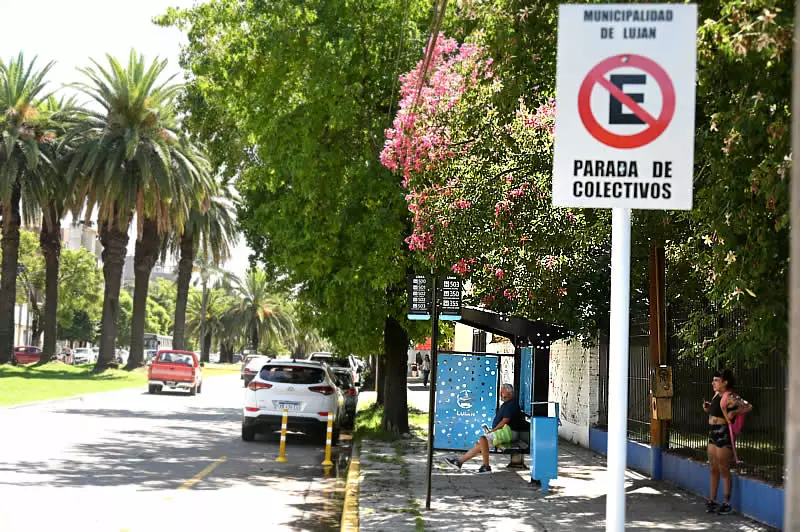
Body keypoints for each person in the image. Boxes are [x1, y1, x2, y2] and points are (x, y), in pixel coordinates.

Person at [442, 383, 528, 474]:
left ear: (510, 394)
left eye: (502, 393)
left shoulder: (511, 404)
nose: (500, 395)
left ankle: (486, 466)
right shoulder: (508, 404)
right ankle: (459, 462)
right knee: (479, 444)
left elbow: (504, 421)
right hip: (505, 432)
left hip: (507, 433)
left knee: (482, 439)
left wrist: (493, 430)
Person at [703, 369, 752, 515]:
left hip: (723, 434)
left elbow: (748, 406)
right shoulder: (716, 395)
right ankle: (712, 500)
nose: (713, 383)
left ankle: (726, 502)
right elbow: (716, 411)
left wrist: (733, 413)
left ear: (725, 383)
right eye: (713, 380)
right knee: (713, 468)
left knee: (724, 468)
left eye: (716, 380)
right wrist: (707, 409)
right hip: (713, 433)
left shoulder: (729, 396)